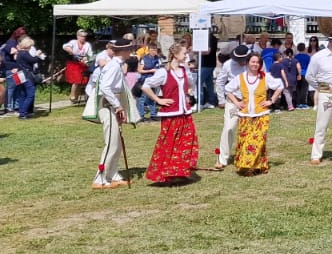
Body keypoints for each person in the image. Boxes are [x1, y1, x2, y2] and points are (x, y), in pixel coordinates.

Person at [142, 43, 200, 183]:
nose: (186, 56)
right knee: (169, 143)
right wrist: (158, 100)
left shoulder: (185, 71)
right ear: (175, 54)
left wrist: (187, 96)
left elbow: (191, 86)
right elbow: (145, 86)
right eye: (184, 53)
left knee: (186, 141)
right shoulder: (164, 72)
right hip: (170, 113)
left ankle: (180, 170)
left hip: (185, 112)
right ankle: (166, 172)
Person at [227, 52, 283, 175]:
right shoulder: (240, 77)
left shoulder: (265, 77)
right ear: (248, 63)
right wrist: (237, 102)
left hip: (261, 114)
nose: (255, 64)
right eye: (252, 62)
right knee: (245, 140)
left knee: (258, 141)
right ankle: (249, 166)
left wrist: (271, 100)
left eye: (257, 62)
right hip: (245, 115)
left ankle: (252, 166)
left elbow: (280, 85)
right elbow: (228, 89)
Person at [90, 39, 134, 188]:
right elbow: (105, 88)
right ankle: (100, 178)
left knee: (117, 143)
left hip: (113, 105)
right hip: (109, 106)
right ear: (123, 51)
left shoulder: (116, 65)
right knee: (111, 143)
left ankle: (113, 174)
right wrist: (117, 106)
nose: (131, 52)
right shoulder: (114, 66)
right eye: (129, 49)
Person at [306, 34, 332, 165]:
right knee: (322, 124)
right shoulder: (318, 57)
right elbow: (309, 76)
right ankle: (316, 155)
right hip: (326, 93)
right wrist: (320, 88)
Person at [209, 45, 251, 171]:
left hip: (249, 102)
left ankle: (248, 155)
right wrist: (221, 100)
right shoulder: (228, 65)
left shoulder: (254, 63)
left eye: (242, 59)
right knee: (229, 128)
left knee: (249, 130)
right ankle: (222, 159)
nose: (240, 62)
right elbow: (220, 82)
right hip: (233, 101)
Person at [8, 36, 44, 120]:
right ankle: (23, 112)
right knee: (30, 94)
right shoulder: (24, 53)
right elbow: (33, 60)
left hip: (20, 75)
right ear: (27, 46)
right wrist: (37, 55)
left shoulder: (19, 53)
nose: (31, 47)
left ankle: (22, 111)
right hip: (27, 75)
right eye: (30, 46)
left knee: (22, 94)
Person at [62, 29, 94, 104]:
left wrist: (86, 58)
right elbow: (65, 47)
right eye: (82, 36)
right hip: (73, 64)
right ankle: (72, 96)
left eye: (85, 36)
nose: (83, 38)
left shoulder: (87, 44)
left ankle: (77, 96)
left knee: (83, 80)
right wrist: (71, 51)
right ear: (78, 36)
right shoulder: (73, 42)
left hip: (83, 63)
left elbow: (90, 55)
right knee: (76, 80)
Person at [293, 42, 313, 108]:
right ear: (304, 49)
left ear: (298, 49)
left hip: (297, 74)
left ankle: (298, 103)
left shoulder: (296, 57)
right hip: (305, 74)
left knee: (298, 89)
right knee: (304, 89)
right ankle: (303, 103)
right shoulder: (308, 57)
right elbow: (310, 66)